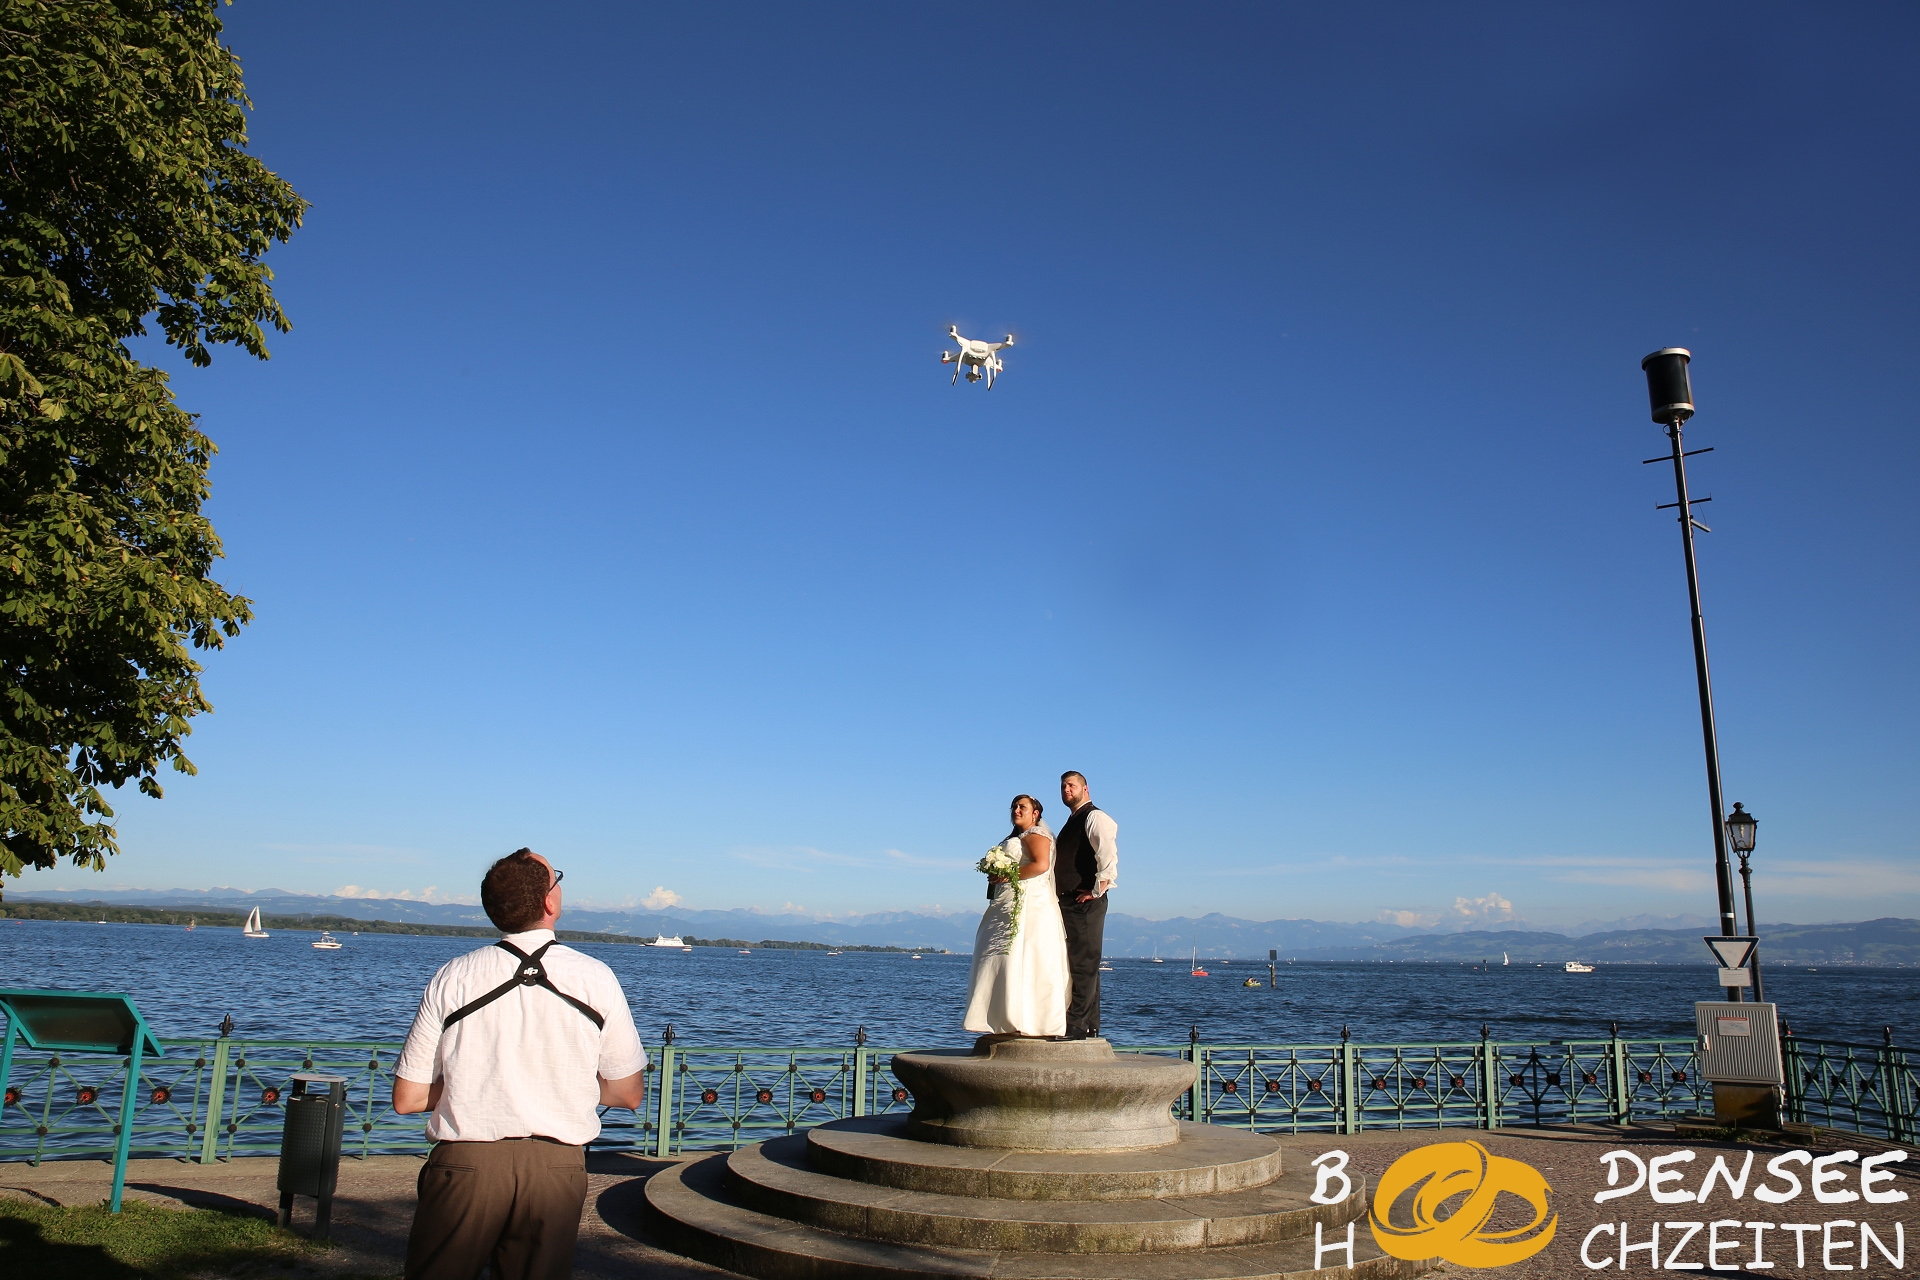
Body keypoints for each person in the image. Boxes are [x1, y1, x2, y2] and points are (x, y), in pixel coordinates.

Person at [393, 849, 647, 1280]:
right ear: (550, 903)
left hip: (463, 1165)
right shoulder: (595, 977)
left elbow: (408, 1097)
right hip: (555, 1170)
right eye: (557, 879)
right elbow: (627, 1093)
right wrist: (559, 1081)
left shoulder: (453, 975)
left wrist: (472, 1082)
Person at [962, 794, 1069, 1039]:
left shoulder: (1035, 835)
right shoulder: (1016, 838)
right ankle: (1002, 1017)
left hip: (1029, 902)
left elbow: (1041, 865)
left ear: (1036, 814)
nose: (1016, 810)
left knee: (1023, 955)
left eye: (1023, 807)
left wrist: (1007, 875)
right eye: (1014, 806)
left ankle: (1025, 1018)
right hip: (1009, 900)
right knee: (1003, 956)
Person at [1054, 771, 1118, 1040]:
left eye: (1072, 785)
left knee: (1084, 964)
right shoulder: (1072, 820)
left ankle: (1077, 1025)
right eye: (1063, 786)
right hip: (1070, 902)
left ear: (1085, 788)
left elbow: (1107, 856)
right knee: (1082, 964)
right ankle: (1089, 1025)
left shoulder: (1094, 817)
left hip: (1085, 903)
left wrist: (1096, 890)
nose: (1066, 789)